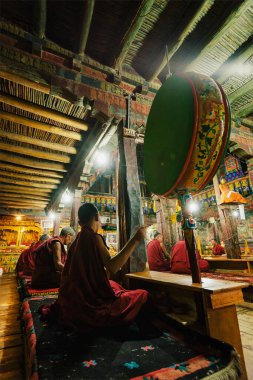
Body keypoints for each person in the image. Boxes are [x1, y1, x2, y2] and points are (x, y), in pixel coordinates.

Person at [40, 203, 158, 335]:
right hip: (91, 304)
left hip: (74, 299)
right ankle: (148, 330)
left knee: (114, 285)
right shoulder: (94, 238)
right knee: (143, 295)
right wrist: (135, 240)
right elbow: (113, 267)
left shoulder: (75, 242)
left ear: (79, 222)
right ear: (97, 216)